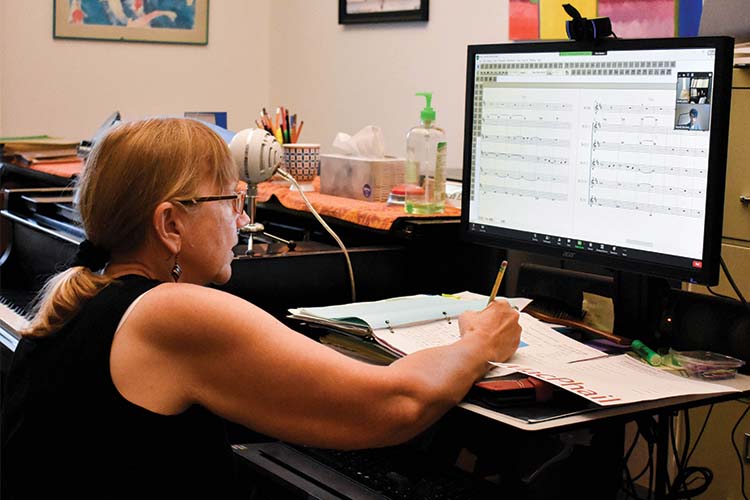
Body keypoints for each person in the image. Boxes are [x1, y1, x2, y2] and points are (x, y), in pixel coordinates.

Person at [0, 117, 522, 498]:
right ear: (170, 225)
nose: (244, 217)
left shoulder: (85, 287)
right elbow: (398, 405)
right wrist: (480, 341)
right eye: (229, 200)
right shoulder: (171, 313)